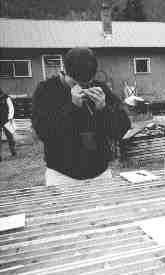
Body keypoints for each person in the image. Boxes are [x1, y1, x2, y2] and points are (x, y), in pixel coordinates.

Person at [32, 47, 131, 185]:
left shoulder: (100, 89)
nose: (82, 88)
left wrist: (104, 109)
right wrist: (72, 107)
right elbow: (43, 132)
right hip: (62, 176)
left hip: (100, 174)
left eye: (87, 83)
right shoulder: (46, 90)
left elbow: (122, 129)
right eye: (75, 83)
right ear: (64, 72)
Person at [0, 88, 16, 161]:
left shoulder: (6, 97)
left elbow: (11, 107)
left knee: (10, 137)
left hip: (6, 120)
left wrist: (10, 117)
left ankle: (13, 152)